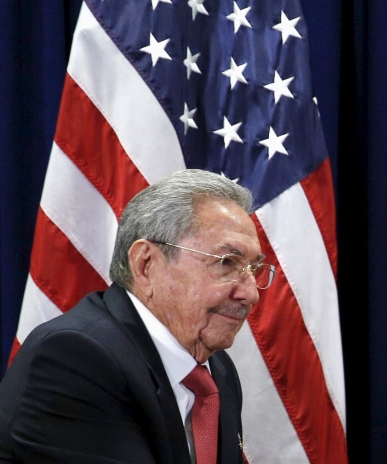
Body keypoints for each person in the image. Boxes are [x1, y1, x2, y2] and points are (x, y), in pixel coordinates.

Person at [0, 169, 273, 464]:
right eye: (227, 263)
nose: (250, 294)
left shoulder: (216, 369)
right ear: (146, 265)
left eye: (254, 269)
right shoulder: (76, 357)